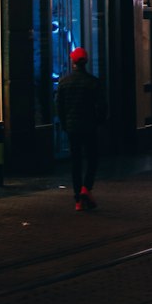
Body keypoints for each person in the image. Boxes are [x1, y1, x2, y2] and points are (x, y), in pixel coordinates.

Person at [55, 48, 106, 211]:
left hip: (72, 128)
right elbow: (102, 106)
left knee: (75, 162)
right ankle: (86, 187)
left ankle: (78, 199)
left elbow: (59, 107)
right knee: (92, 158)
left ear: (73, 62)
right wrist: (99, 121)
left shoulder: (64, 82)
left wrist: (64, 124)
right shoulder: (93, 82)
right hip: (89, 126)